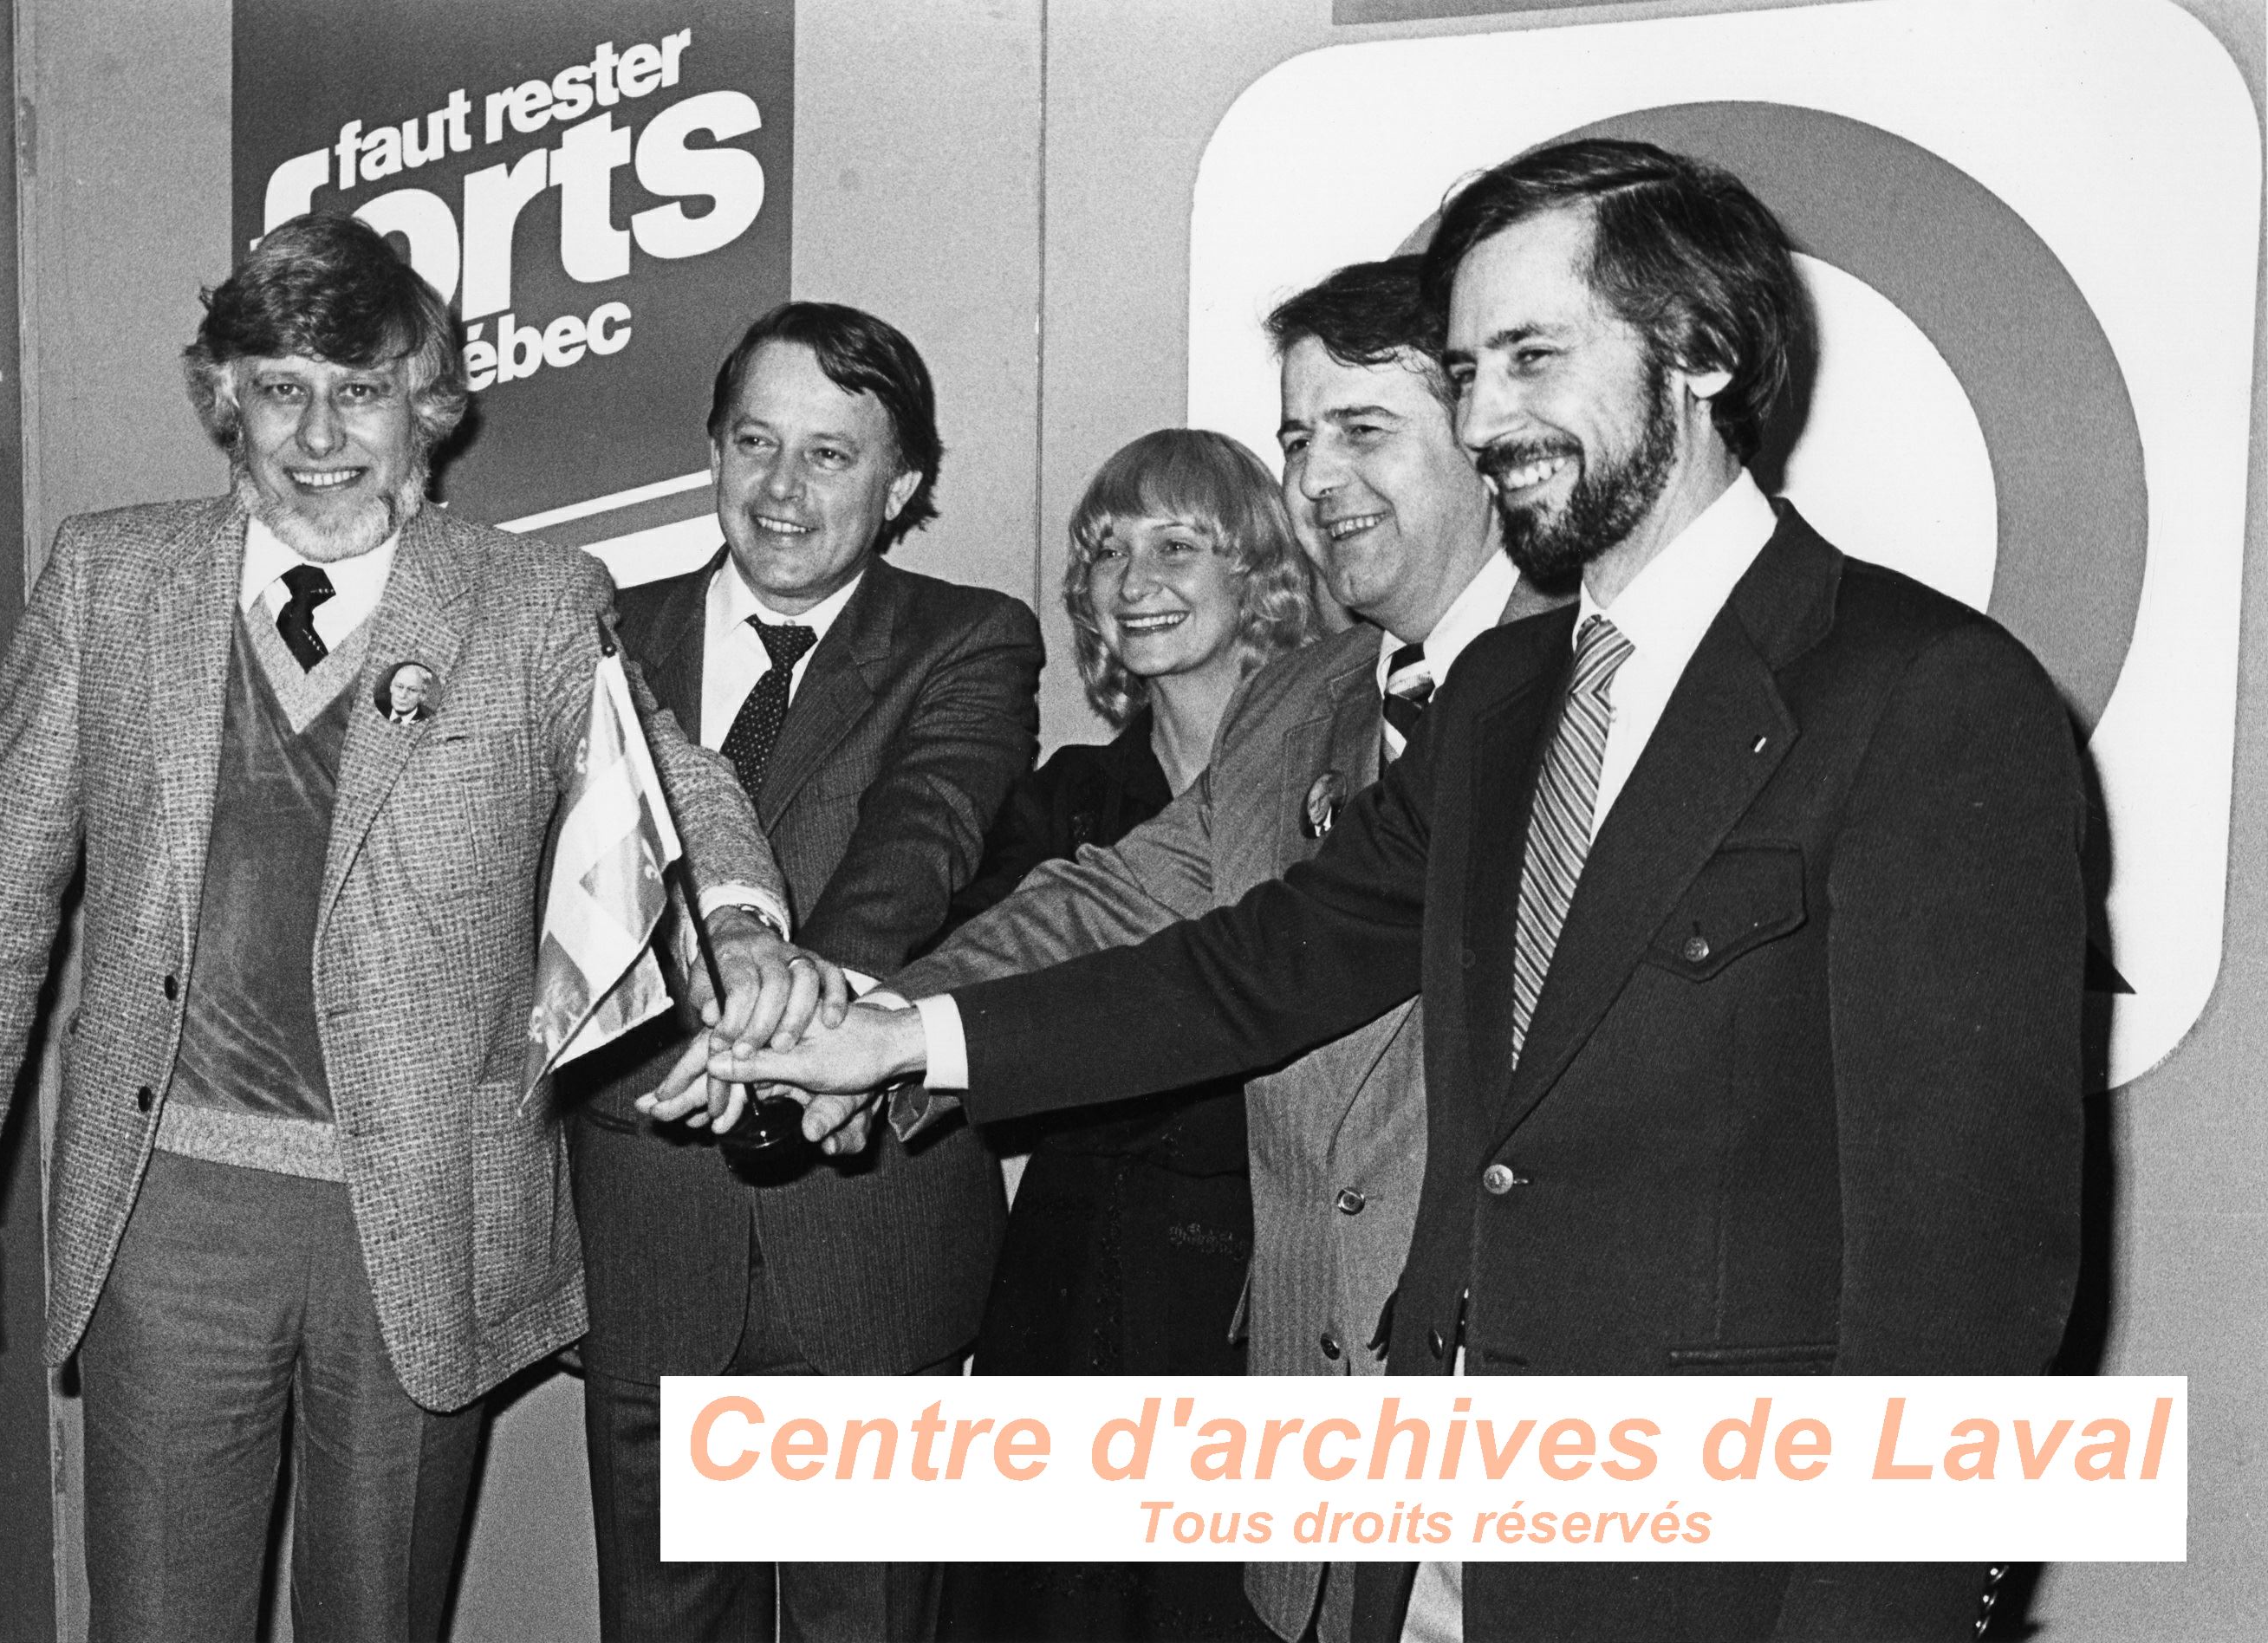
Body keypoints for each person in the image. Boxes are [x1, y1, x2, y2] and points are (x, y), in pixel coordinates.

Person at [695, 139, 2087, 1643]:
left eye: (1530, 359)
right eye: (1468, 370)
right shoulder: (1500, 698)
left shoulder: (1922, 697)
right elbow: (1260, 961)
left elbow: (1959, 1284)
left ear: (1700, 351)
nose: (1486, 420)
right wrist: (909, 1041)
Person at [0, 213, 809, 1642]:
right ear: (224, 398)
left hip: (425, 1208)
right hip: (169, 1209)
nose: (320, 432)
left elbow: (674, 781)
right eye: (278, 385)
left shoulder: (531, 600)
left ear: (426, 406)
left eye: (360, 388)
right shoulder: (108, 583)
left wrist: (737, 929)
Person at [890, 258, 1559, 1643]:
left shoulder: (1596, 670)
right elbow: (1118, 894)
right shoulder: (1302, 698)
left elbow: (1275, 962)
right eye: (1299, 439)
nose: (1319, 478)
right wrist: (877, 1015)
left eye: (1361, 430)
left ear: (1487, 435)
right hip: (1306, 1423)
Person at [569, 300, 1040, 1642]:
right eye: (754, 443)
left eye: (831, 456)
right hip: (648, 1234)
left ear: (902, 487)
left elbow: (922, 840)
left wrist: (784, 996)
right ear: (711, 452)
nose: (782, 489)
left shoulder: (969, 638)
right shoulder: (592, 638)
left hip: (869, 1236)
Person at [935, 427, 1317, 1643]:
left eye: (1175, 543)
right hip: (1075, 1270)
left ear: (1256, 567)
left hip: (1270, 1277)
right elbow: (981, 1005)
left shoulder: (1348, 768)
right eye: (1106, 551)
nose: (1134, 577)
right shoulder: (1063, 800)